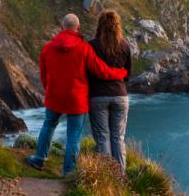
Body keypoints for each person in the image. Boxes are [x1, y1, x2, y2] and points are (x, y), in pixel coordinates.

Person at [26, 14, 128, 176]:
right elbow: (101, 71)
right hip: (77, 99)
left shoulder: (48, 48)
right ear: (78, 28)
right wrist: (121, 72)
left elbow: (44, 75)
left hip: (55, 96)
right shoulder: (83, 48)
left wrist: (50, 90)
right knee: (73, 134)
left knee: (48, 124)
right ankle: (69, 171)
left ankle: (39, 159)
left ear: (62, 27)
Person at [88, 10, 132, 172]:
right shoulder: (125, 46)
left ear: (100, 25)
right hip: (120, 95)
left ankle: (106, 176)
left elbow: (87, 72)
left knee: (102, 138)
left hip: (98, 96)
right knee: (118, 138)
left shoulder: (91, 46)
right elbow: (128, 74)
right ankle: (120, 176)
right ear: (117, 26)